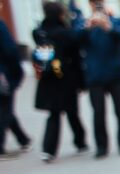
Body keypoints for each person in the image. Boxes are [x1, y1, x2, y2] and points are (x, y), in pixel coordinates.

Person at [33, 1, 88, 162]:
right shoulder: (66, 34)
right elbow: (77, 58)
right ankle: (80, 142)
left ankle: (48, 150)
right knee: (72, 112)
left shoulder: (40, 32)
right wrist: (82, 82)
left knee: (54, 114)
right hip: (66, 79)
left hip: (48, 79)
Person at [78, 0, 120, 157]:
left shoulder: (115, 22)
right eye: (94, 2)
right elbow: (75, 40)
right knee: (98, 113)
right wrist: (88, 27)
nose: (97, 5)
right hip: (95, 77)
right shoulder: (84, 23)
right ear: (90, 4)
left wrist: (108, 27)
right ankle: (101, 147)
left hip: (116, 75)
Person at [0, 7, 32, 157]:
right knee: (4, 109)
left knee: (6, 108)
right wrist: (16, 73)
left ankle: (22, 138)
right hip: (3, 75)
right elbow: (10, 51)